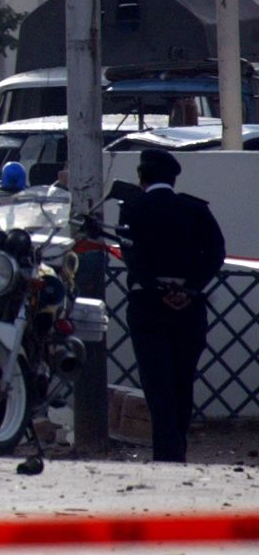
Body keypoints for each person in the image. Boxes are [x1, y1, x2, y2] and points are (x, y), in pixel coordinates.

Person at [111, 148, 227, 462]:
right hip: (189, 308)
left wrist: (156, 287)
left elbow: (131, 254)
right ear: (174, 178)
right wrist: (189, 289)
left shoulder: (133, 209)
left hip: (147, 304)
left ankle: (167, 453)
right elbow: (216, 252)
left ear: (141, 177)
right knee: (182, 380)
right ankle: (178, 448)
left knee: (156, 382)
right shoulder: (195, 209)